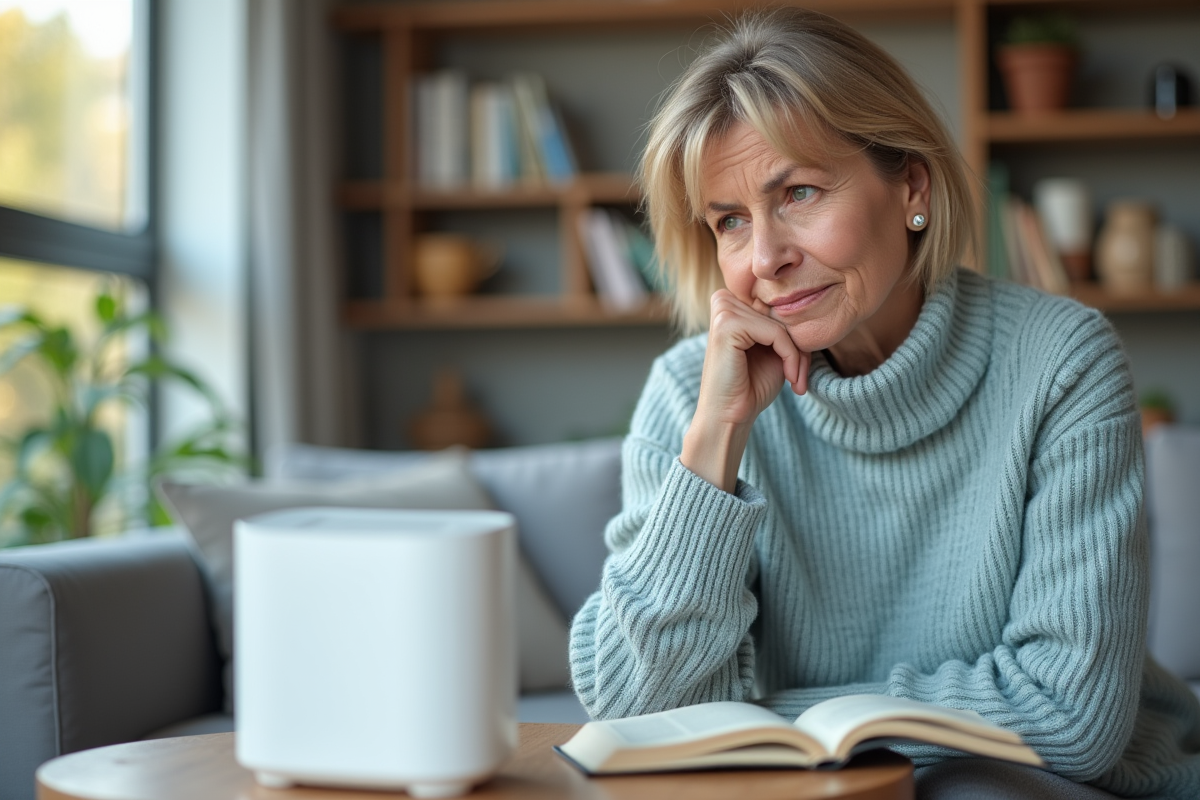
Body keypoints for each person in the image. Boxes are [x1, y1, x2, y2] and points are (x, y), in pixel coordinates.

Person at [567, 8, 1200, 799]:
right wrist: (716, 443)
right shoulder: (690, 395)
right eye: (730, 221)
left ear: (911, 187)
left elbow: (1071, 715)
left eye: (799, 192)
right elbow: (632, 710)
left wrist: (763, 723)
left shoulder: (1061, 363)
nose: (765, 258)